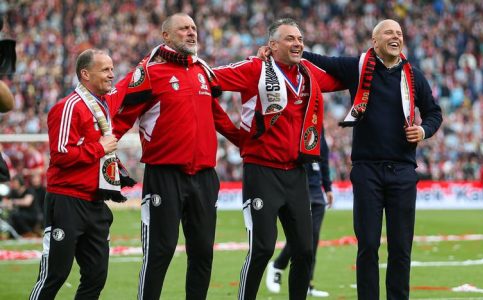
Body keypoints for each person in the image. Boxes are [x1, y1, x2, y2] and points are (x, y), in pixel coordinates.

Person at [300, 19, 443, 299]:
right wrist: (285, 50)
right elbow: (322, 61)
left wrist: (424, 130)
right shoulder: (358, 67)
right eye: (389, 32)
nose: (396, 36)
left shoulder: (413, 75)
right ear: (374, 41)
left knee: (401, 247)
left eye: (400, 33)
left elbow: (434, 111)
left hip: (403, 170)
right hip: (367, 170)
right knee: (367, 245)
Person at [213, 18, 343, 300]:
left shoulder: (308, 74)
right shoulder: (255, 69)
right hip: (262, 171)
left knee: (305, 251)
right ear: (271, 45)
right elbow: (207, 78)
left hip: (297, 173)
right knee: (262, 249)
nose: (298, 43)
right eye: (290, 39)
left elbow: (342, 77)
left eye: (300, 39)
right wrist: (233, 133)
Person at [112, 13, 239, 300]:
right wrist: (103, 149)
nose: (192, 32)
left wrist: (245, 142)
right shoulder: (149, 74)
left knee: (203, 252)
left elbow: (218, 116)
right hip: (165, 174)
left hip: (205, 176)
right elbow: (122, 119)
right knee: (160, 251)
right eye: (184, 28)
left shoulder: (202, 72)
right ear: (166, 36)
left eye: (194, 27)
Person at [29, 48, 127, 299]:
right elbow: (61, 155)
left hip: (95, 203)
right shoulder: (68, 107)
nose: (111, 74)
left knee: (96, 276)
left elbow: (126, 87)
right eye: (105, 69)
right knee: (54, 275)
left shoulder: (101, 107)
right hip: (67, 201)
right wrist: (100, 148)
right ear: (85, 74)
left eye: (112, 69)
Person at [265, 130, 333, 297]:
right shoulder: (298, 120)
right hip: (301, 187)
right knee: (305, 238)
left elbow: (323, 158)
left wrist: (328, 187)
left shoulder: (318, 126)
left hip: (317, 192)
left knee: (312, 240)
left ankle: (307, 282)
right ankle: (278, 265)